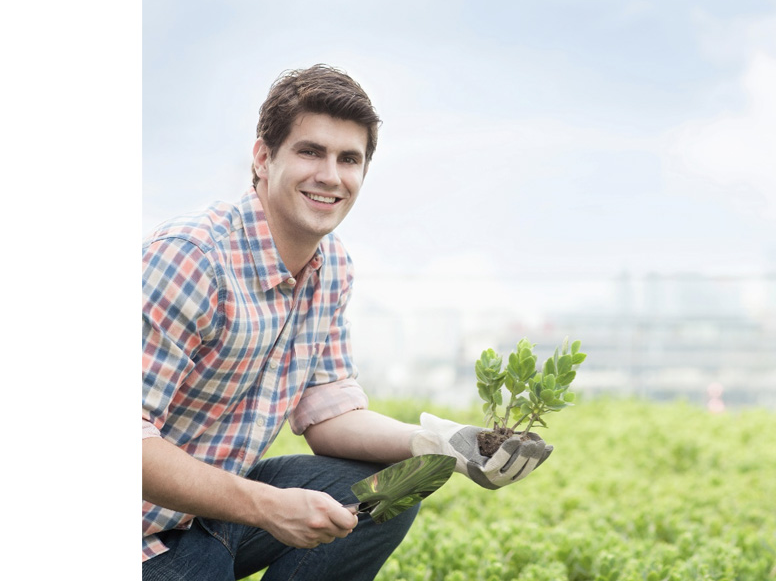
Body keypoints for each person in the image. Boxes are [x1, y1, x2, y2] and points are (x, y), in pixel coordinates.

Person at [142, 64, 553, 580]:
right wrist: (267, 506)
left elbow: (326, 412)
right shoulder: (191, 258)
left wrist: (440, 441)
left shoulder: (330, 268)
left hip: (209, 514)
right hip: (139, 533)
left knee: (388, 487)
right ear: (263, 158)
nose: (330, 175)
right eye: (310, 151)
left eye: (349, 159)